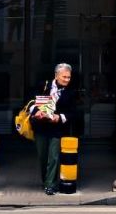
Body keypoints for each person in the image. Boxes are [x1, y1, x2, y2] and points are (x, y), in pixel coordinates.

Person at [30, 63, 75, 195]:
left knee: (53, 157)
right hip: (41, 127)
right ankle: (46, 181)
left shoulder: (70, 92)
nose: (67, 80)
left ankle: (51, 184)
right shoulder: (43, 85)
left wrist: (59, 117)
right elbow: (31, 102)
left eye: (69, 77)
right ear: (56, 75)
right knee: (42, 157)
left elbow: (73, 113)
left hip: (57, 129)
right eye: (64, 77)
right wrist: (36, 112)